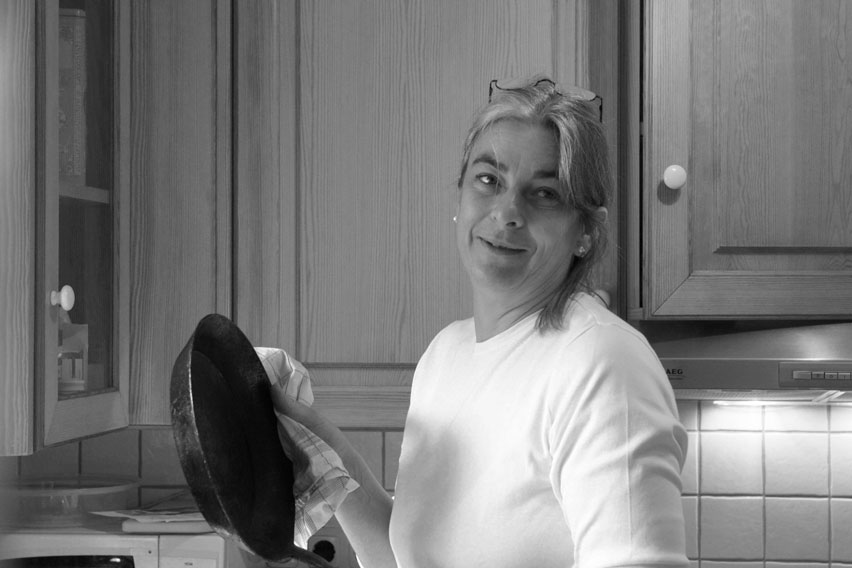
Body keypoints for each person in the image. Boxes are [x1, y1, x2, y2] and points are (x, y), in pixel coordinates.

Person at [278, 77, 688, 568]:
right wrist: (322, 450)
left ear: (585, 231)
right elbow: (408, 560)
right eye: (489, 180)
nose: (507, 213)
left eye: (545, 193)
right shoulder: (444, 356)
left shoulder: (601, 362)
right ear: (460, 198)